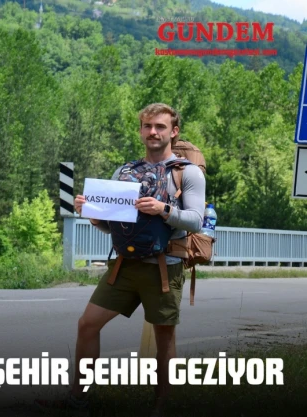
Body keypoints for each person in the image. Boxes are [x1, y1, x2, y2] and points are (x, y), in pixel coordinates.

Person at [36, 103, 206, 416]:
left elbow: (196, 220)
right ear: (141, 131)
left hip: (164, 268)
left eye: (160, 127)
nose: (153, 132)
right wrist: (91, 213)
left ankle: (161, 408)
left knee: (164, 337)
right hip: (124, 266)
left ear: (174, 131)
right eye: (147, 126)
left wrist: (163, 209)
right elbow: (111, 225)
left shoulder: (187, 173)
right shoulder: (124, 173)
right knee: (88, 324)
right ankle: (78, 400)